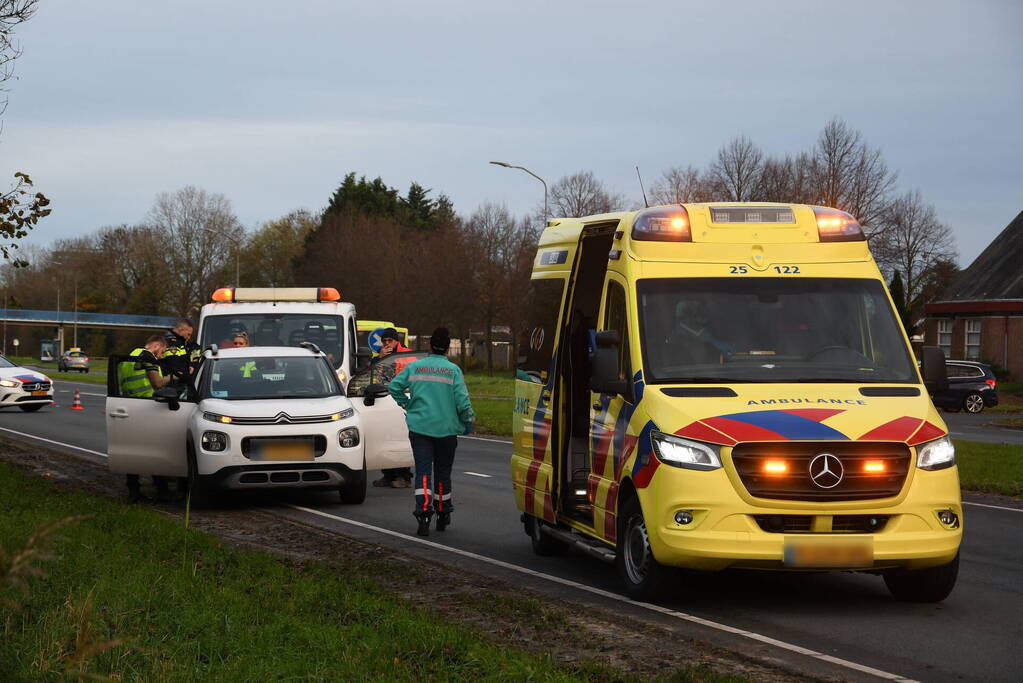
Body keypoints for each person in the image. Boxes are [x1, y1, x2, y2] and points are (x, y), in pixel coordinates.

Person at [388, 327, 474, 536]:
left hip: (420, 428)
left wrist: (407, 405)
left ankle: (424, 514)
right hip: (446, 431)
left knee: (423, 472)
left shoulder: (416, 367)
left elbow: (394, 387)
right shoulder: (453, 371)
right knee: (443, 472)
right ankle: (443, 511)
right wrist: (468, 421)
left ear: (429, 346)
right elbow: (462, 402)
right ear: (447, 348)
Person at [118, 335, 170, 501]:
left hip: (131, 407)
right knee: (156, 451)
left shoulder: (127, 359)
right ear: (155, 345)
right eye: (162, 351)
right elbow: (158, 383)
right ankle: (162, 491)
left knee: (133, 452)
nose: (161, 356)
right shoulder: (148, 356)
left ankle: (134, 491)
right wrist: (176, 376)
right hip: (149, 408)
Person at [373, 328, 414, 489]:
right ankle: (388, 475)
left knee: (400, 439)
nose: (387, 344)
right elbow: (374, 375)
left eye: (390, 341)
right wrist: (380, 359)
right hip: (385, 399)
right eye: (384, 341)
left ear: (397, 341)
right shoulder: (382, 355)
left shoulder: (407, 355)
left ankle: (404, 476)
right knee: (386, 438)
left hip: (403, 399)